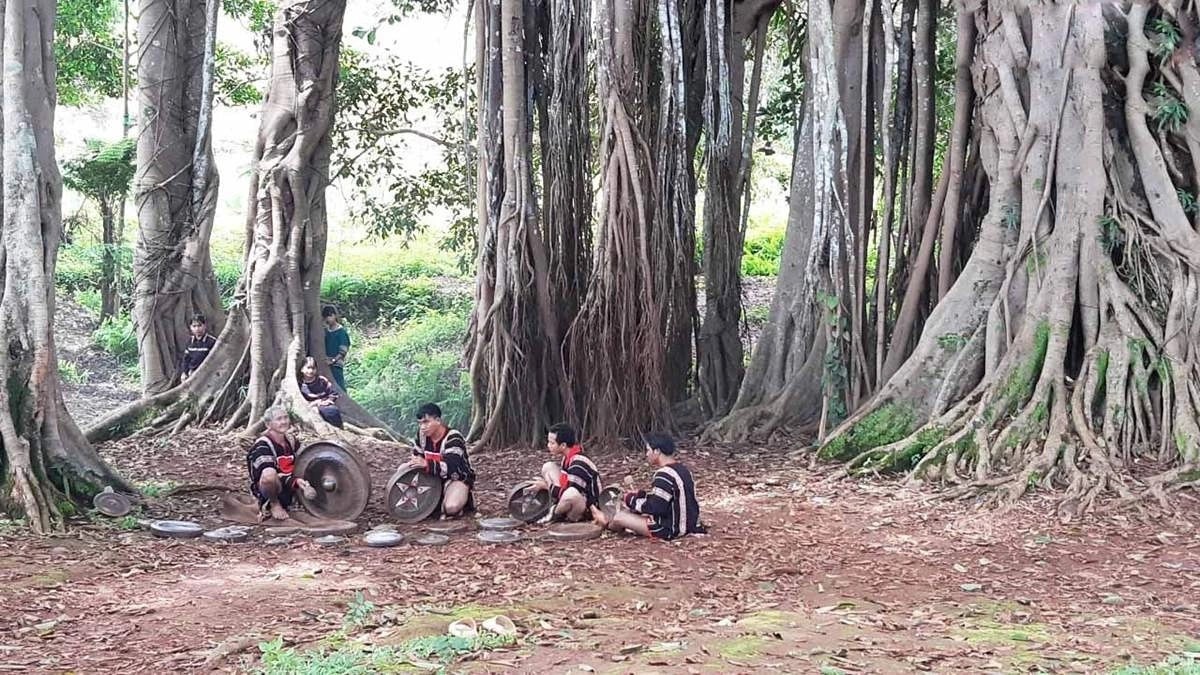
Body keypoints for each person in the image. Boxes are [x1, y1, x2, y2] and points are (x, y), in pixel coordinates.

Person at [591, 433, 704, 540]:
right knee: (630, 512)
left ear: (657, 451)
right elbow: (669, 499)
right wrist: (643, 496)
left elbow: (656, 508)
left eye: (648, 450)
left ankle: (604, 521)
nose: (646, 454)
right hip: (691, 525)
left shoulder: (664, 474)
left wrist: (630, 499)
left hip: (670, 529)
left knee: (619, 517)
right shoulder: (684, 470)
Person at [402, 402, 475, 517]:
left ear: (438, 420)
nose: (422, 427)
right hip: (432, 478)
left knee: (452, 507)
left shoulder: (453, 437)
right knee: (402, 469)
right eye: (420, 423)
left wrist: (426, 464)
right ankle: (433, 503)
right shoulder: (422, 436)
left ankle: (463, 500)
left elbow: (451, 467)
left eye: (426, 422)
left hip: (456, 479)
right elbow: (417, 456)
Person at [245, 406, 316, 521]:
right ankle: (274, 505)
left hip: (290, 485)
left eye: (285, 417)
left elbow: (305, 460)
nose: (284, 422)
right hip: (270, 489)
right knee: (269, 475)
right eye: (278, 419)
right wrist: (295, 481)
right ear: (268, 424)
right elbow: (269, 475)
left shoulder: (291, 440)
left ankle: (298, 502)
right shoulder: (262, 445)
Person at [529, 422, 602, 523]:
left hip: (586, 507)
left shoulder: (578, 463)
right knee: (548, 467)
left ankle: (553, 513)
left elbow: (570, 492)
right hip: (568, 494)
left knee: (571, 494)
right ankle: (555, 506)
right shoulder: (567, 457)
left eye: (552, 443)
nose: (548, 445)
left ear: (563, 445)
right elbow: (564, 487)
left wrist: (546, 486)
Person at [299, 356, 344, 428]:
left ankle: (338, 428)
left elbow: (333, 393)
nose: (310, 371)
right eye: (308, 368)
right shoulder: (300, 384)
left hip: (324, 405)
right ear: (302, 369)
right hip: (310, 407)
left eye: (313, 368)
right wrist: (312, 404)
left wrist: (328, 401)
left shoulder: (322, 381)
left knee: (333, 411)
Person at [179, 313, 217, 382]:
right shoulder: (190, 341)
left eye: (199, 325)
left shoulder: (212, 341)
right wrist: (184, 373)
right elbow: (186, 359)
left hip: (206, 374)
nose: (197, 328)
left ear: (205, 326)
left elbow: (214, 360)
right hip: (192, 374)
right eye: (194, 326)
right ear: (190, 327)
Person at [322, 305, 350, 391]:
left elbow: (343, 351)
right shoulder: (326, 331)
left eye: (330, 316)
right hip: (326, 363)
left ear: (335, 315)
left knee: (339, 385)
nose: (328, 319)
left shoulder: (341, 332)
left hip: (336, 364)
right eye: (326, 317)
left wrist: (333, 360)